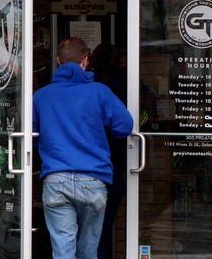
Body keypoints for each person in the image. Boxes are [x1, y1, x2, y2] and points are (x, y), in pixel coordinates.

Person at [32, 37, 133, 259]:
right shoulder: (100, 92)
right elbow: (124, 127)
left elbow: (30, 138)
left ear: (58, 61)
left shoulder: (41, 96)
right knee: (89, 250)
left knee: (63, 250)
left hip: (56, 180)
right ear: (85, 60)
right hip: (93, 180)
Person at [87, 43, 128, 259]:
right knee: (102, 230)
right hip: (117, 163)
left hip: (89, 165)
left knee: (90, 232)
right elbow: (136, 120)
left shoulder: (87, 86)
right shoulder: (125, 83)